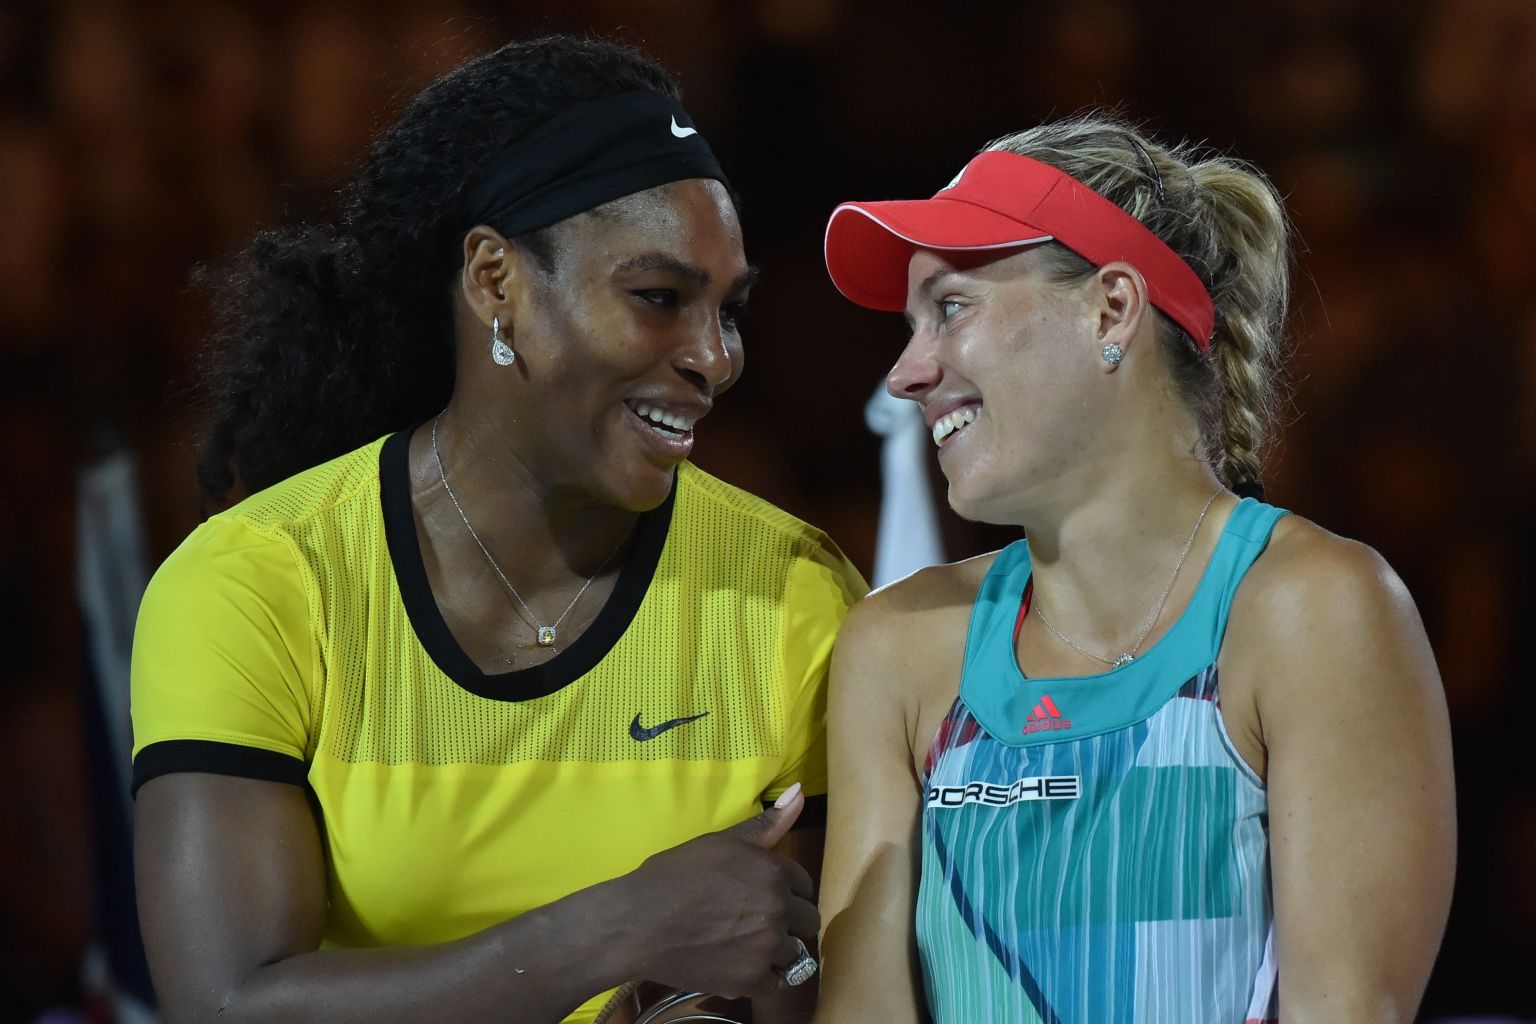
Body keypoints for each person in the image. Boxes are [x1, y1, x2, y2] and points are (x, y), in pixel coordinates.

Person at [129, 36, 865, 1024]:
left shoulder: (795, 597)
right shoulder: (257, 583)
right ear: (495, 281)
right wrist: (612, 931)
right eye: (658, 298)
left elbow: (816, 991)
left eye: (727, 309)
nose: (714, 357)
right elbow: (226, 1005)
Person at [813, 114, 1455, 1023]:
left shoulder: (1315, 612)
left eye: (950, 308)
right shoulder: (896, 647)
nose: (908, 373)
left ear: (1110, 308)